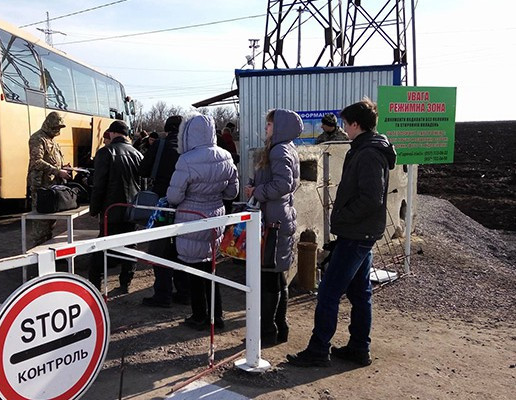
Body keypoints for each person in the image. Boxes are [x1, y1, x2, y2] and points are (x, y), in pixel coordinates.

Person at [287, 98, 396, 367]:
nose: (344, 128)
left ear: (356, 124)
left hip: (357, 233)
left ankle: (318, 350)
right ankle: (359, 348)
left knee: (328, 292)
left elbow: (371, 199)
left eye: (346, 123)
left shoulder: (369, 153)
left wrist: (344, 218)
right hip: (360, 232)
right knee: (360, 293)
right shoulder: (365, 148)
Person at [167, 114, 239, 330]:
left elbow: (174, 197)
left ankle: (199, 316)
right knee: (211, 269)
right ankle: (217, 317)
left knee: (195, 271)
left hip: (192, 218)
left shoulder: (186, 160)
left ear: (188, 134)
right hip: (216, 217)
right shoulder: (226, 156)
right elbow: (232, 192)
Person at [244, 109, 301, 347]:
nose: (266, 128)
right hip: (279, 216)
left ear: (278, 127)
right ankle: (279, 327)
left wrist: (257, 192)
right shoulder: (285, 148)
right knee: (278, 277)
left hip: (273, 221)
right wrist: (255, 184)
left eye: (269, 125)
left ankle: (267, 331)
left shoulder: (278, 150)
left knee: (269, 276)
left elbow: (283, 184)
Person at [139, 115, 189, 308]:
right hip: (185, 204)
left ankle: (163, 294)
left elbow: (143, 170)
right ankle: (184, 292)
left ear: (167, 129)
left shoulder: (159, 145)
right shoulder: (188, 147)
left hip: (160, 202)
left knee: (160, 249)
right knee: (181, 247)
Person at [88, 120, 144, 294]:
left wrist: (94, 208)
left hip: (110, 208)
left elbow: (99, 185)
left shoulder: (105, 152)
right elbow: (143, 184)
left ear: (112, 133)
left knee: (101, 246)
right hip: (131, 208)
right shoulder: (138, 154)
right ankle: (125, 282)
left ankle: (94, 285)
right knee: (130, 246)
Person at [27, 111, 72, 245]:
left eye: (59, 128)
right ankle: (38, 253)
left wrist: (64, 167)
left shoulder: (52, 141)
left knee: (50, 221)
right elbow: (37, 161)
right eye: (55, 127)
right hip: (41, 186)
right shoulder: (38, 139)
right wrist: (57, 171)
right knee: (41, 223)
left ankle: (47, 252)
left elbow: (52, 160)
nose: (57, 130)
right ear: (48, 125)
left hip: (51, 186)